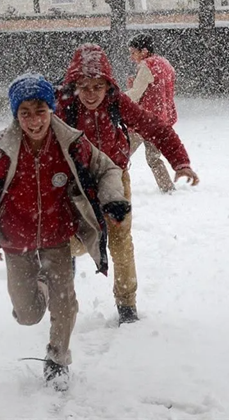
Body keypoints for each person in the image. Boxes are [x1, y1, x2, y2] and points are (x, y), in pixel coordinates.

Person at [0, 73, 130, 391]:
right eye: (25, 113)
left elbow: (107, 168)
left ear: (51, 109)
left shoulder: (72, 143)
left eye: (40, 111)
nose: (34, 121)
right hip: (15, 238)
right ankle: (40, 287)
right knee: (27, 314)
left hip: (56, 234)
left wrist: (114, 200)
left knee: (65, 302)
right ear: (15, 115)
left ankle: (57, 360)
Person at [57, 43, 199, 324]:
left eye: (98, 86)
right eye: (84, 86)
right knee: (75, 241)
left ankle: (127, 306)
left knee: (121, 242)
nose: (91, 94)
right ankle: (66, 262)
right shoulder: (64, 107)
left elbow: (155, 127)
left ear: (107, 84)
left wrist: (180, 161)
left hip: (115, 178)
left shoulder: (116, 101)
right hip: (78, 184)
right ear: (74, 84)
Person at [124, 34, 182, 193]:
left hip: (143, 120)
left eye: (133, 52)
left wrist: (117, 97)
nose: (131, 57)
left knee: (120, 155)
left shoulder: (146, 66)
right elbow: (161, 89)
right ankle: (167, 188)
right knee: (154, 158)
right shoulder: (166, 64)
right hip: (159, 121)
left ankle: (115, 187)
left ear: (144, 51)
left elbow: (136, 93)